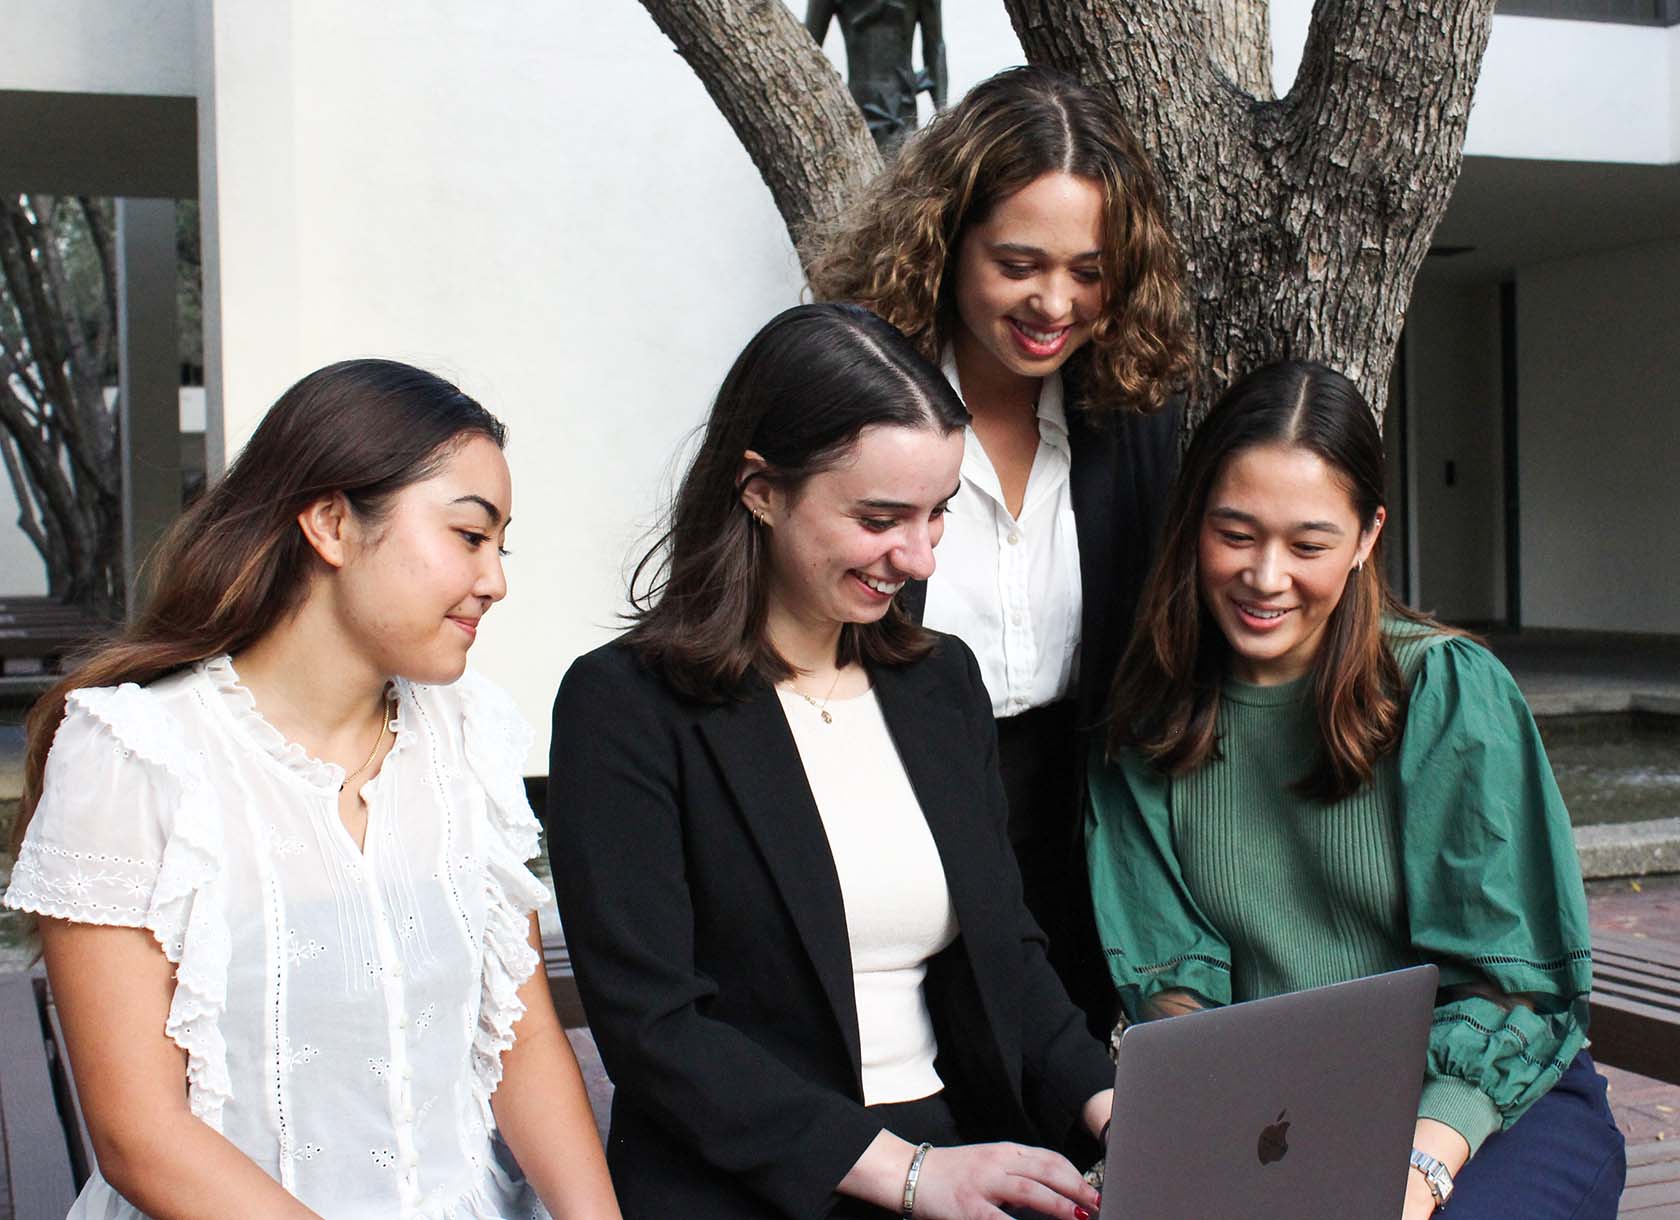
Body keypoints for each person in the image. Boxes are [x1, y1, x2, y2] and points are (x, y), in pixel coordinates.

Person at [3, 360, 620, 1220]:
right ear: (331, 523)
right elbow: (139, 1133)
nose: (496, 580)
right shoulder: (135, 755)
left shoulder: (470, 735)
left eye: (501, 545)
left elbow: (517, 1039)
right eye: (470, 537)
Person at [545, 304, 1114, 1220]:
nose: (919, 555)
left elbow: (1007, 954)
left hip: (954, 1149)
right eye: (881, 518)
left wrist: (1116, 1107)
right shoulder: (626, 708)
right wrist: (910, 1173)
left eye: (938, 514)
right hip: (745, 1182)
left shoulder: (940, 686)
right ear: (761, 489)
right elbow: (658, 1028)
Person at [1085, 361, 1625, 1219]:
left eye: (1308, 544)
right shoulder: (1148, 725)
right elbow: (1174, 990)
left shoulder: (1444, 690)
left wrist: (1412, 1179)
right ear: (1193, 523)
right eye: (1235, 533)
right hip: (1278, 1118)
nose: (1266, 578)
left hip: (1483, 1105)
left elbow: (1511, 985)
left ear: (1368, 537)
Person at [807, 66, 1197, 1031]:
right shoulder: (853, 400)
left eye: (1088, 271)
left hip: (1076, 836)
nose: (1053, 303)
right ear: (944, 244)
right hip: (887, 826)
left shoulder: (1135, 419)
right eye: (1019, 263)